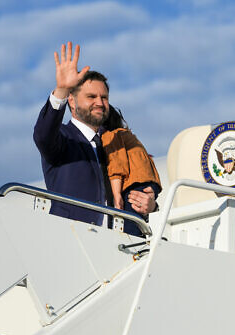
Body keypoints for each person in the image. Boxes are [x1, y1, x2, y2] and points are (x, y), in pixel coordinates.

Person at [33, 41, 157, 226]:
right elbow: (43, 135)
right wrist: (62, 90)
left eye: (104, 97)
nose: (100, 103)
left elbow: (140, 184)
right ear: (72, 102)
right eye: (91, 97)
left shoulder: (119, 141)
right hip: (73, 239)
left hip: (121, 243)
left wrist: (151, 205)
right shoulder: (62, 139)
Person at [102, 107, 162, 236]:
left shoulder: (112, 136)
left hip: (133, 186)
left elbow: (117, 166)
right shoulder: (129, 137)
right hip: (150, 185)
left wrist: (117, 195)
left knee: (127, 232)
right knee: (138, 225)